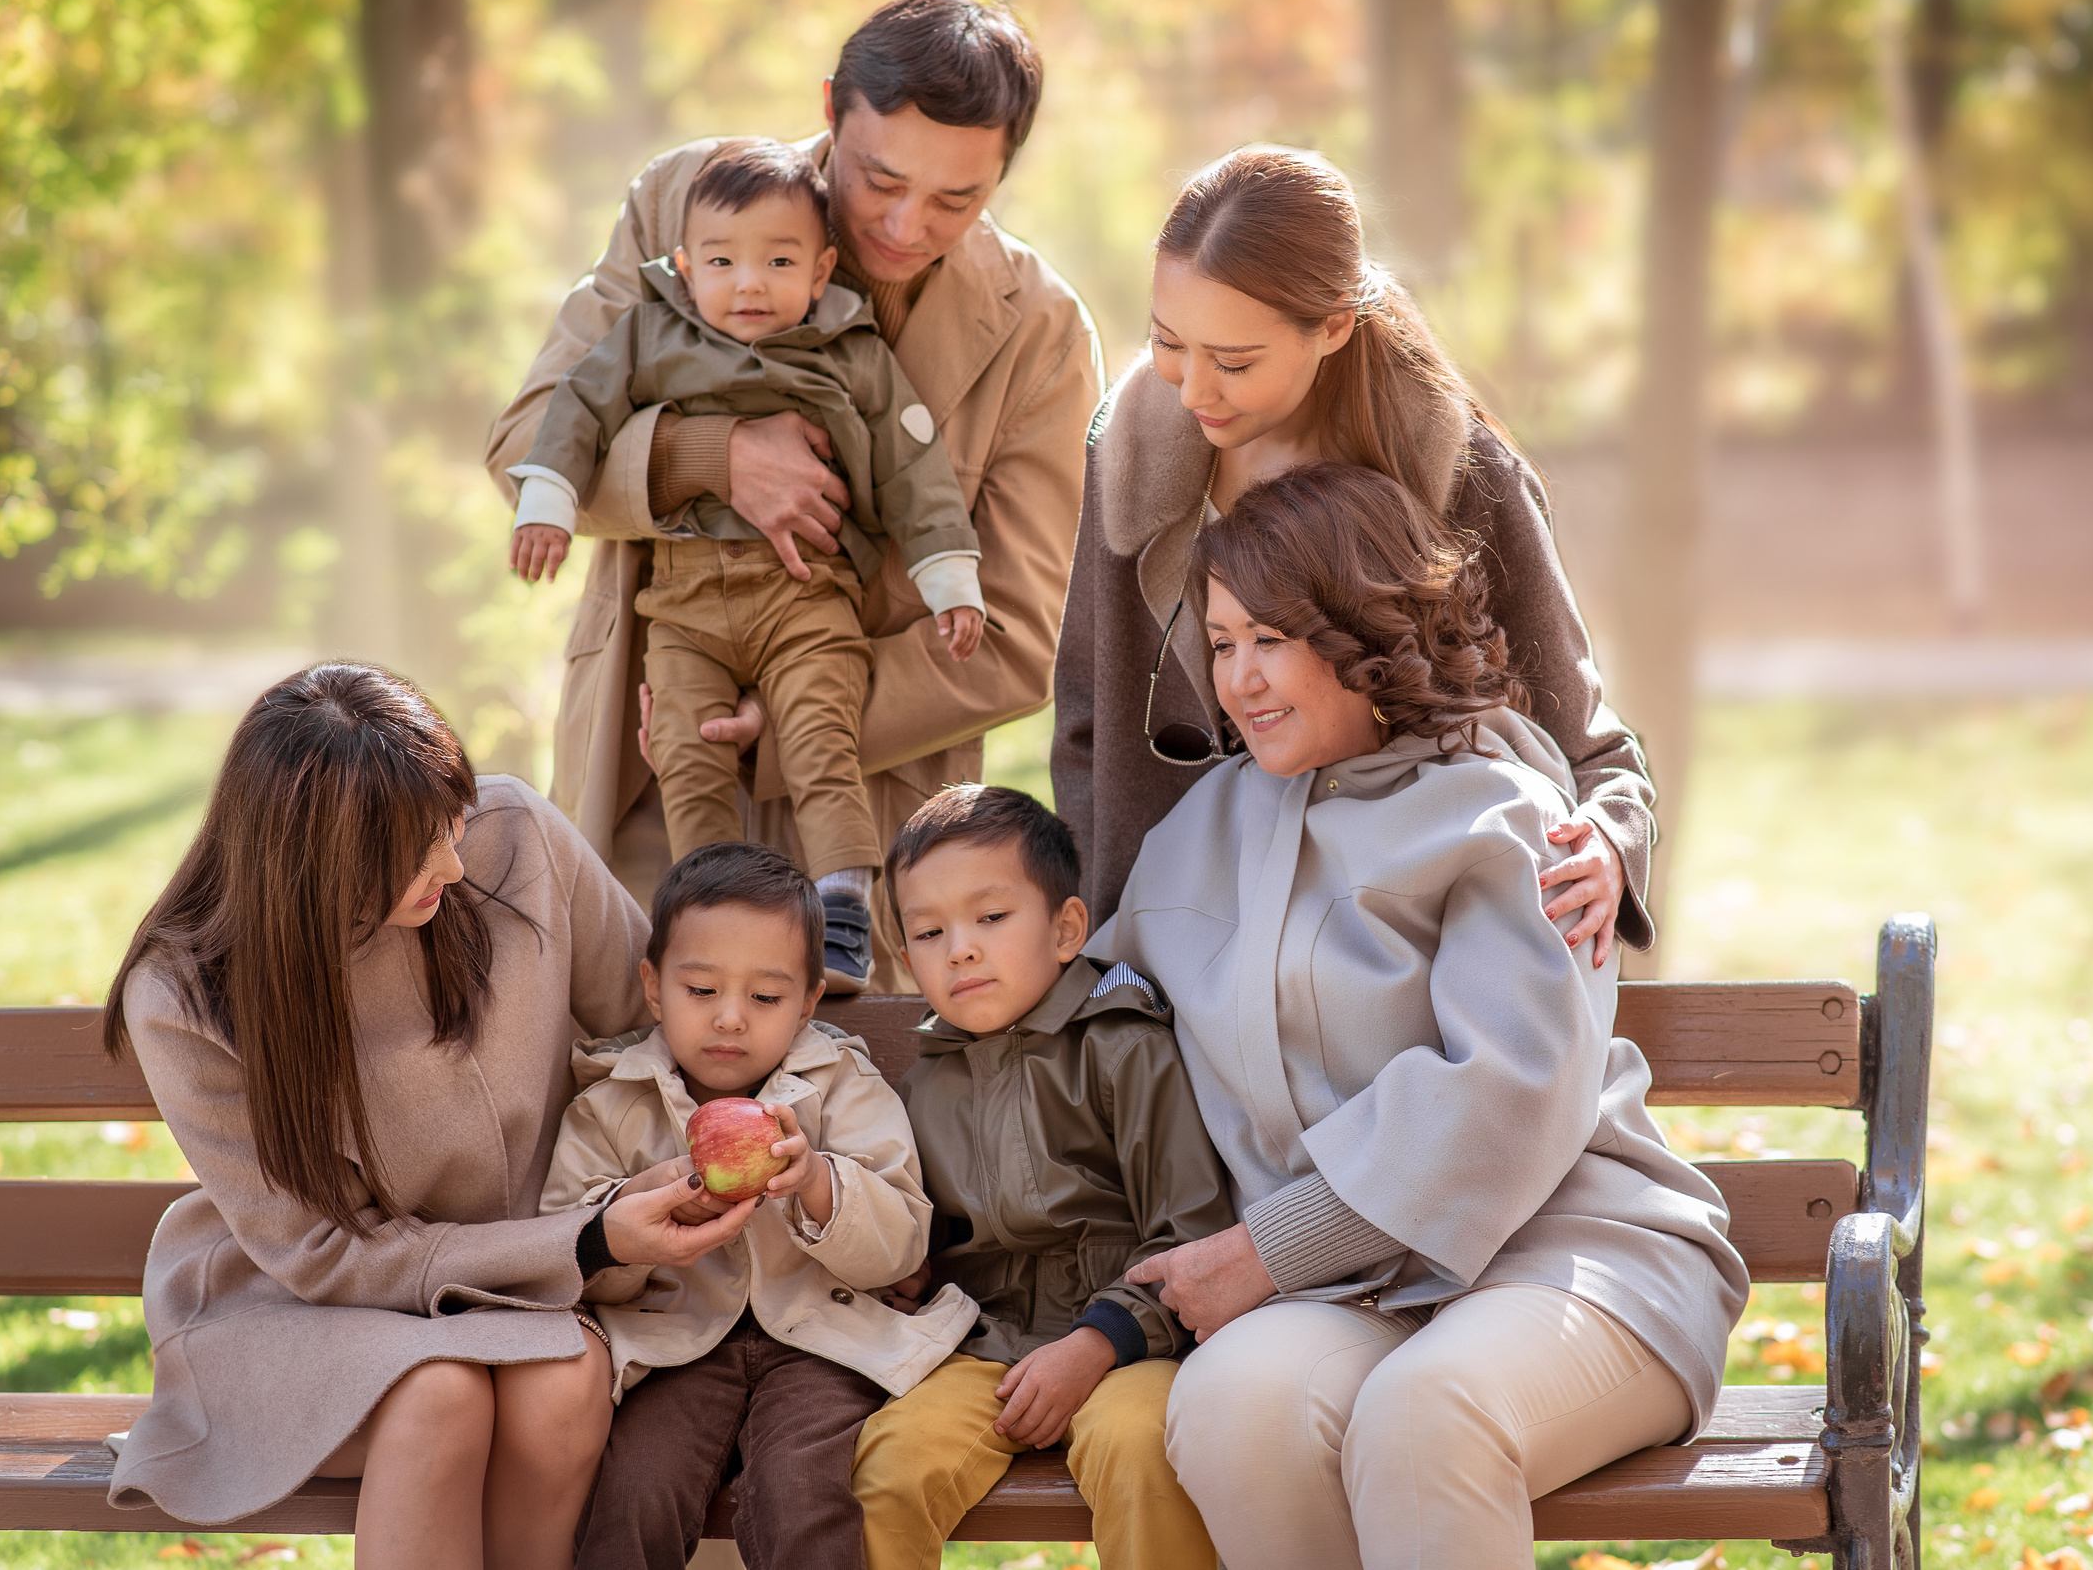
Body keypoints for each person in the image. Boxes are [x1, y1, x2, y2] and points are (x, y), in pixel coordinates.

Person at [1092, 466, 1750, 1570]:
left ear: (1363, 633)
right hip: (1354, 1289)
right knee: (1229, 1405)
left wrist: (1266, 1247)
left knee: (1423, 1418)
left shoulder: (1504, 812)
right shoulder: (1201, 830)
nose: (1240, 679)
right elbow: (1101, 1015)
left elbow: (1504, 1090)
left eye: (1271, 638)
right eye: (1220, 643)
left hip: (1574, 1258)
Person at [486, 0, 1101, 987]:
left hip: (871, 827)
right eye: (879, 179)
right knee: (637, 1103)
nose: (907, 225)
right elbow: (528, 439)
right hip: (656, 773)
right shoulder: (687, 199)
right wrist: (710, 456)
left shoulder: (1042, 331)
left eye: (959, 199)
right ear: (829, 108)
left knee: (844, 1131)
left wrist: (795, 722)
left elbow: (1018, 639)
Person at [101, 663, 762, 1570]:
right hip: (298, 1299)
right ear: (313, 865)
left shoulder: (517, 835)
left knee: (563, 1382)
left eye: (449, 822)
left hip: (523, 1283)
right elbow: (325, 1252)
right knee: (439, 1395)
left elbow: (665, 1026)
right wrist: (588, 1241)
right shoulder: (184, 994)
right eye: (416, 849)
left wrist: (664, 1184)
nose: (453, 862)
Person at [1052, 144, 1648, 970]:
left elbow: (1588, 745)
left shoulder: (1458, 473)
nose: (1192, 391)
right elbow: (1085, 730)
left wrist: (1614, 842)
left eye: (1233, 362)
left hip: (1389, 971)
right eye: (1167, 342)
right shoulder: (1129, 454)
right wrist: (1108, 961)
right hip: (1173, 971)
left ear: (1332, 326)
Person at [508, 138, 987, 989]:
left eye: (778, 262)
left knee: (818, 737)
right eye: (723, 263)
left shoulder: (848, 348)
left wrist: (949, 576)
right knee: (685, 754)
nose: (749, 284)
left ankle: (842, 914)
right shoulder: (655, 333)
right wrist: (548, 497)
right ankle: (704, 922)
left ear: (822, 267)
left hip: (806, 598)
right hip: (684, 604)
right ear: (686, 267)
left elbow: (916, 470)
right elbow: (574, 403)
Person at [543, 841, 977, 1570]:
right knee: (636, 1490)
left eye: (766, 997)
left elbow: (903, 1237)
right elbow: (568, 1248)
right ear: (654, 987)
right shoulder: (611, 1102)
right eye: (702, 990)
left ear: (808, 1001)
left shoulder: (841, 1085)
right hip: (675, 1345)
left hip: (822, 1336)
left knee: (803, 1490)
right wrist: (638, 1225)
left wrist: (818, 1183)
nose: (731, 1018)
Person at [850, 784, 1232, 1570]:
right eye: (928, 931)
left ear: (1065, 928)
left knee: (1145, 1454)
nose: (959, 947)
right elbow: (925, 1236)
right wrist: (911, 1273)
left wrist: (1097, 1342)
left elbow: (1191, 1234)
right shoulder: (921, 1088)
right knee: (886, 1470)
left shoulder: (1124, 1047)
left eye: (991, 918)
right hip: (985, 1348)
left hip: (1132, 1347)